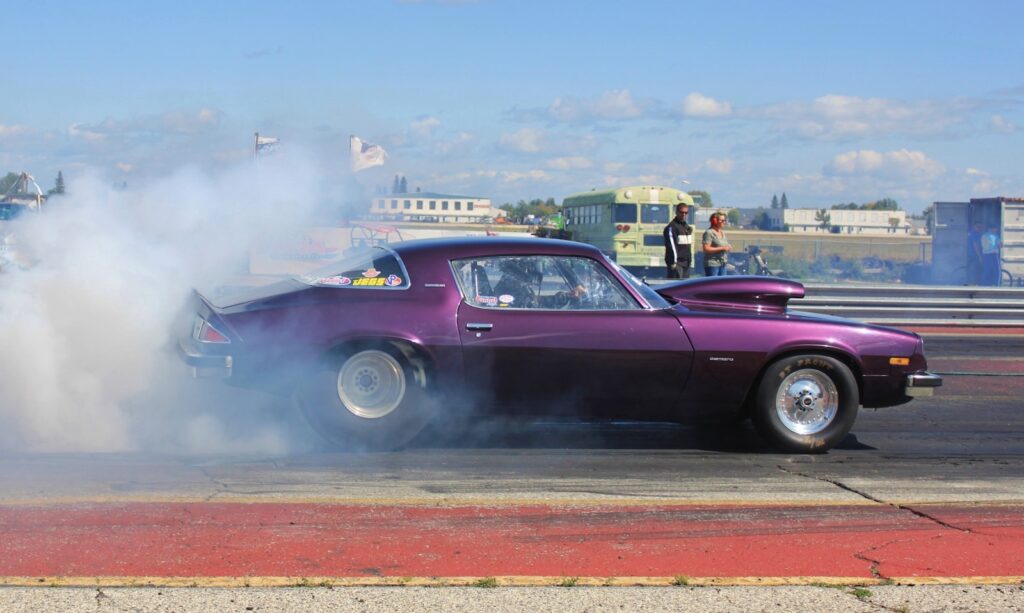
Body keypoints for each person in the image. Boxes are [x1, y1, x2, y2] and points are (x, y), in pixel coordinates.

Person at [663, 203, 693, 279]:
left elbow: (688, 247)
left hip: (686, 262)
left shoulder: (687, 227)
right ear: (676, 212)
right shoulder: (671, 227)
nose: (684, 214)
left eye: (686, 213)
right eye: (681, 212)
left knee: (685, 286)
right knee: (676, 285)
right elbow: (671, 246)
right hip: (677, 263)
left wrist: (689, 260)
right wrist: (674, 262)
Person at [702, 212, 731, 276]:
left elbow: (724, 244)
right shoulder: (709, 233)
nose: (724, 222)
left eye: (725, 220)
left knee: (723, 285)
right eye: (722, 220)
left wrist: (728, 247)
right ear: (715, 221)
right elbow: (706, 248)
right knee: (713, 285)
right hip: (713, 265)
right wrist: (722, 248)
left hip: (723, 264)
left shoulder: (722, 232)